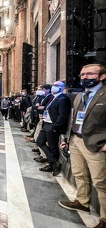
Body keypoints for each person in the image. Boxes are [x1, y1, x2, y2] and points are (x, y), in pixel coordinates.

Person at [58, 64, 106, 228]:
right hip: (76, 140)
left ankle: (105, 218)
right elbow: (74, 119)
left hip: (96, 144)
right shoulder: (79, 96)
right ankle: (83, 202)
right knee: (79, 173)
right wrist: (68, 138)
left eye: (90, 74)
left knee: (100, 182)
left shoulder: (104, 95)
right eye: (82, 74)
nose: (85, 77)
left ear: (102, 76)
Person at [36, 81, 71, 176]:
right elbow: (47, 108)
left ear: (63, 87)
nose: (54, 87)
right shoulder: (53, 97)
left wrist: (55, 127)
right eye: (53, 85)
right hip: (46, 123)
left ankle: (52, 165)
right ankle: (54, 162)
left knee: (53, 147)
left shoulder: (63, 99)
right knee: (40, 141)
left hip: (53, 125)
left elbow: (63, 115)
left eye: (57, 85)